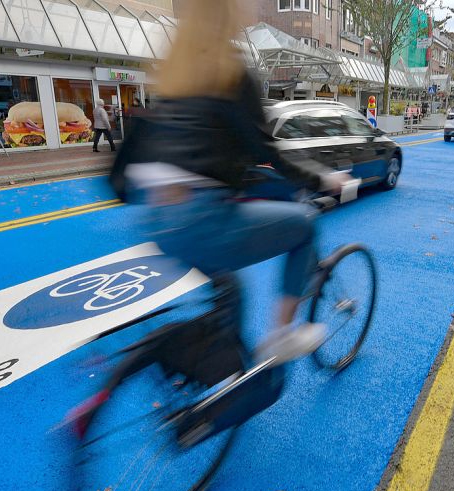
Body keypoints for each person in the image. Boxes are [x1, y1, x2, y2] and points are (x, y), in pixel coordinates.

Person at [110, 0, 347, 366]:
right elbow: (269, 153)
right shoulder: (231, 74)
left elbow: (124, 173)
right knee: (304, 225)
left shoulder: (175, 80)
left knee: (229, 288)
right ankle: (282, 337)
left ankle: (225, 377)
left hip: (157, 221)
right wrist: (323, 177)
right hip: (201, 218)